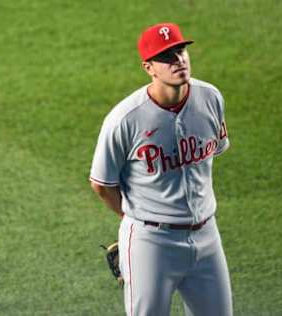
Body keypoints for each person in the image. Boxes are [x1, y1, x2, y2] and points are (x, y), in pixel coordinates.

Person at [90, 22, 233, 316]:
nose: (178, 60)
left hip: (207, 235)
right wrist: (133, 220)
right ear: (149, 68)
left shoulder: (210, 98)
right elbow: (102, 184)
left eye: (180, 51)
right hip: (152, 244)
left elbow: (214, 150)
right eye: (167, 56)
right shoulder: (125, 119)